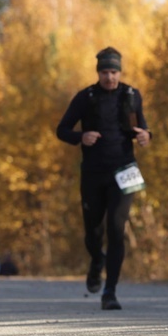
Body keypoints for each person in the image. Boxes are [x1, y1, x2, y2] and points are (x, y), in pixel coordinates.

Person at [56, 47, 151, 311]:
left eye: (114, 72)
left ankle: (110, 291)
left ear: (120, 72)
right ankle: (97, 260)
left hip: (124, 170)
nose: (109, 77)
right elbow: (61, 129)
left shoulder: (131, 95)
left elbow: (141, 127)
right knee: (93, 231)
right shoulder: (85, 97)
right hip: (94, 172)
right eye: (105, 72)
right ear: (98, 72)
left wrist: (146, 136)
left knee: (116, 229)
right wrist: (80, 137)